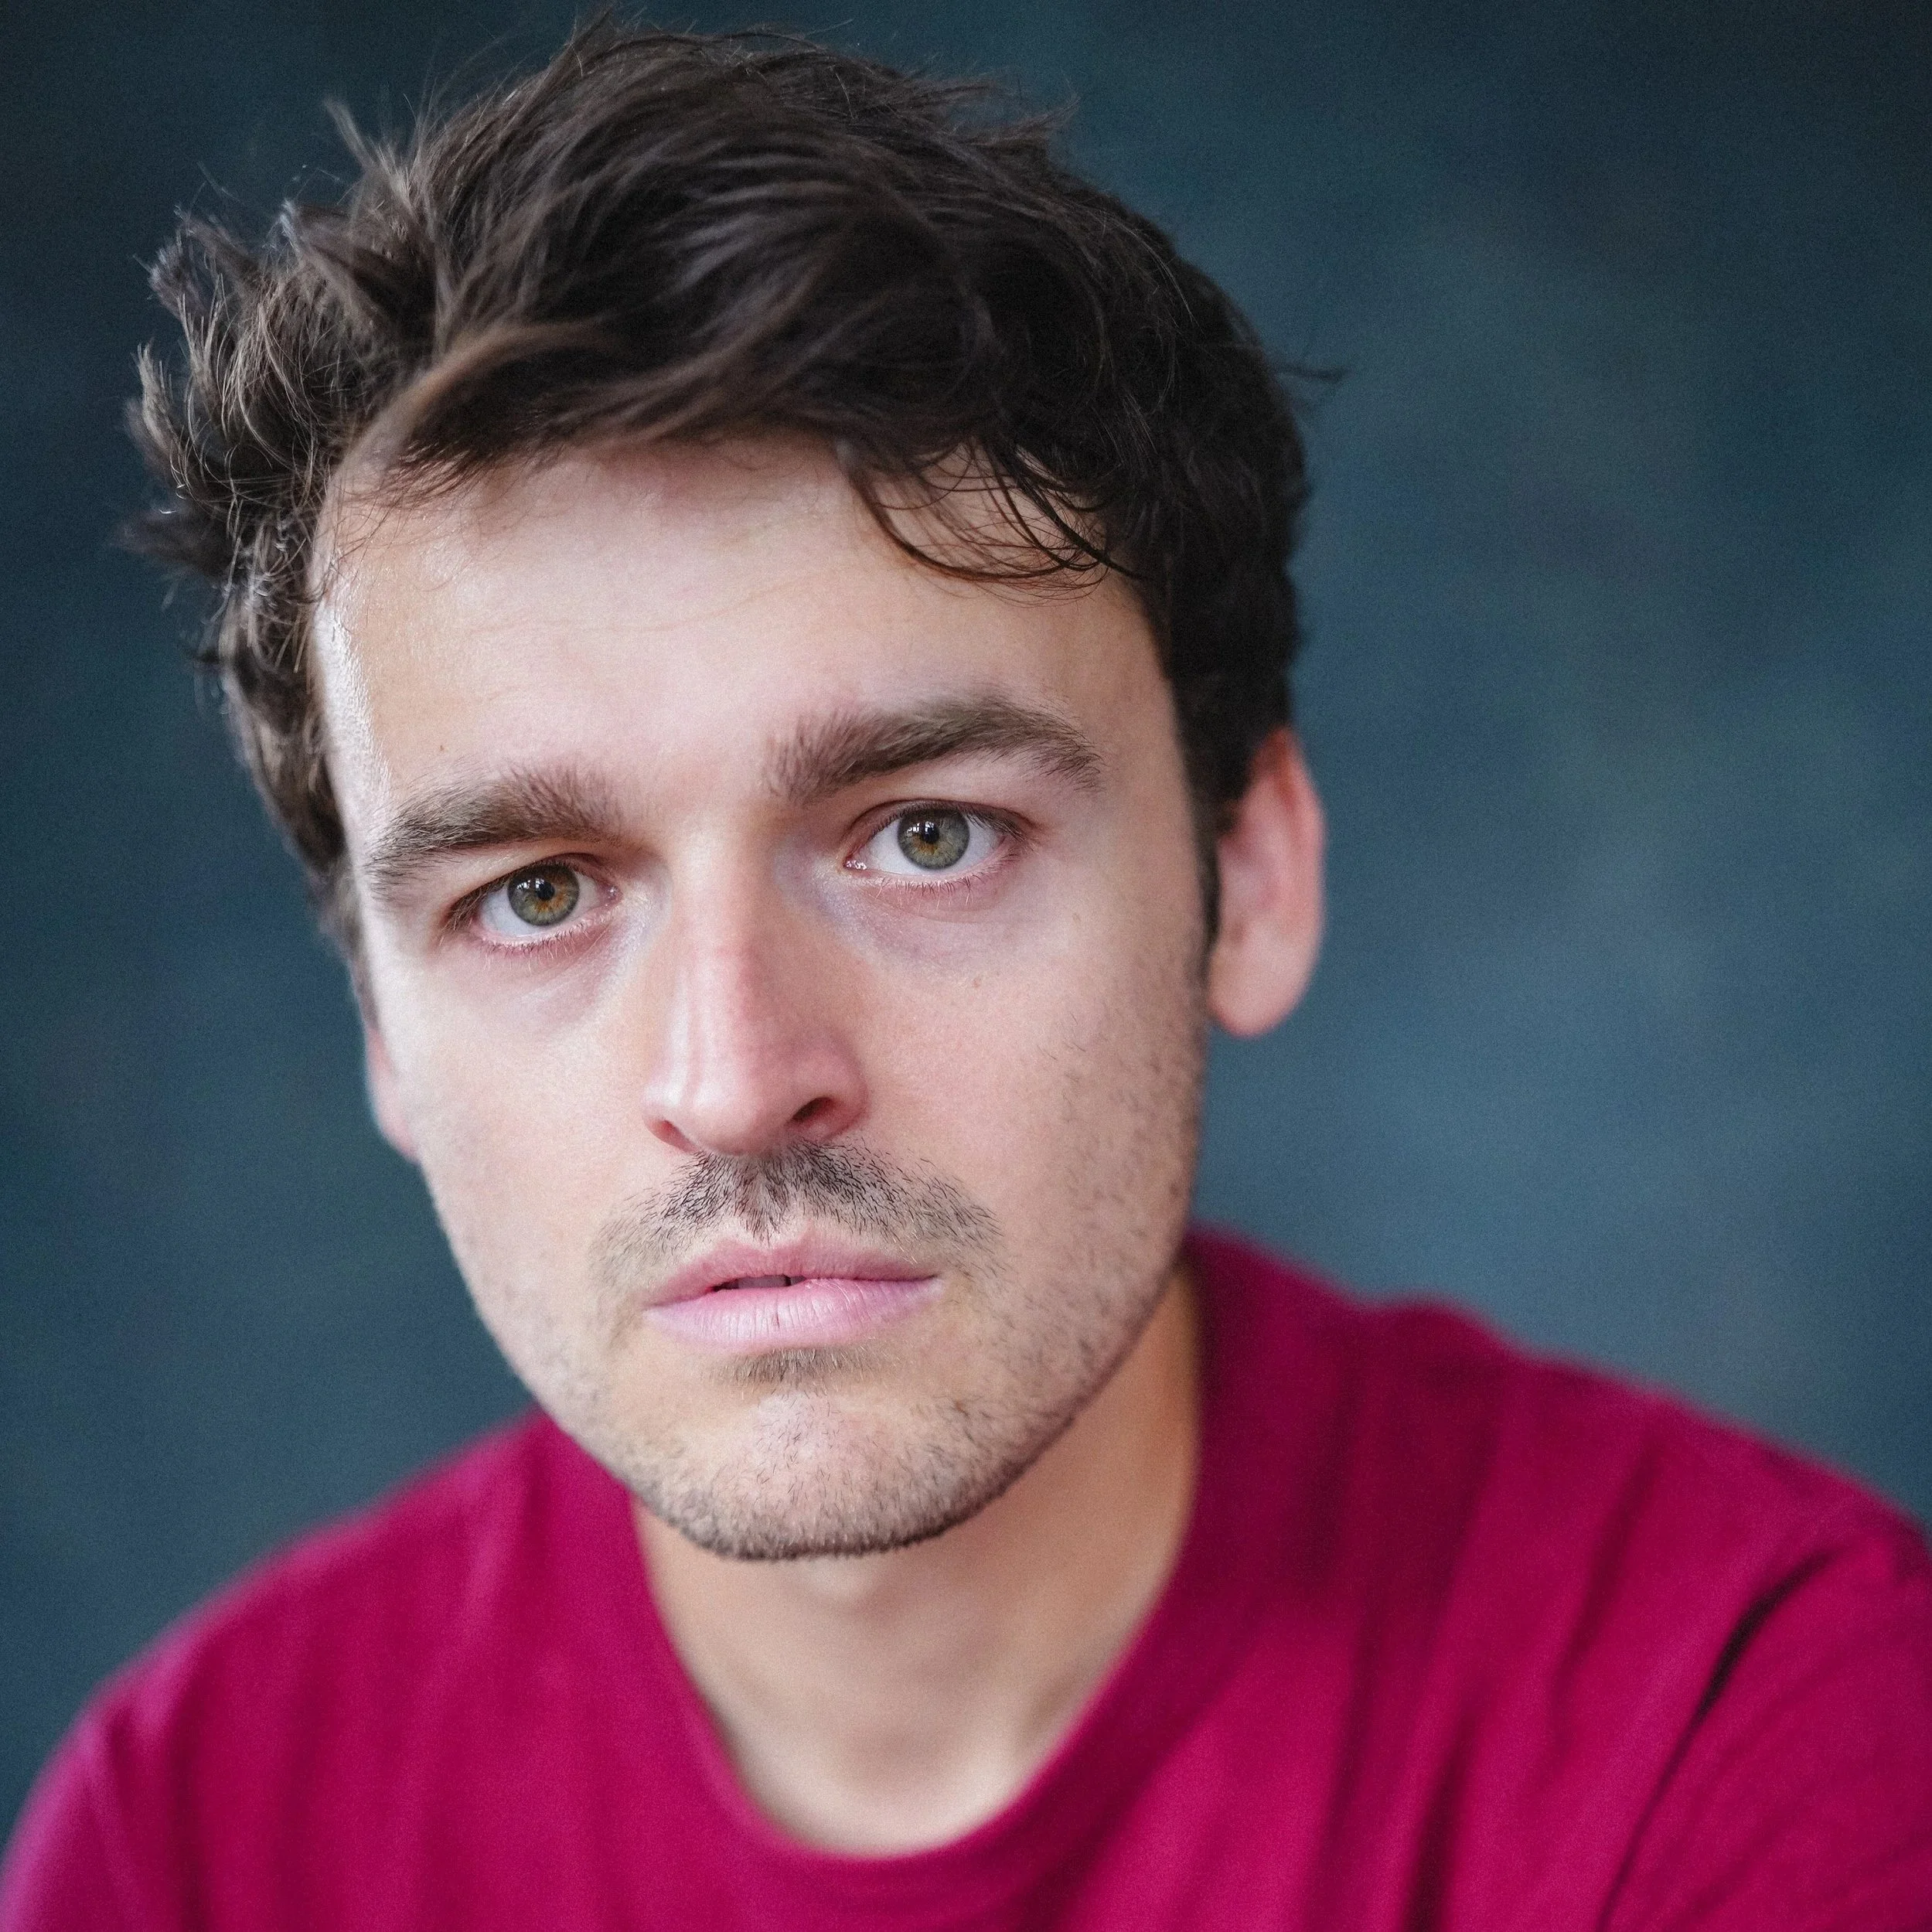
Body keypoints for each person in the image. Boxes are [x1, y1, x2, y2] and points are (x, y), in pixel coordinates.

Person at [5, 22, 1930, 1930]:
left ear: (1247, 875)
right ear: (382, 1034)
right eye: (537, 894)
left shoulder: (1756, 1729)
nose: (742, 1074)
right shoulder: (191, 1847)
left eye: (927, 832)